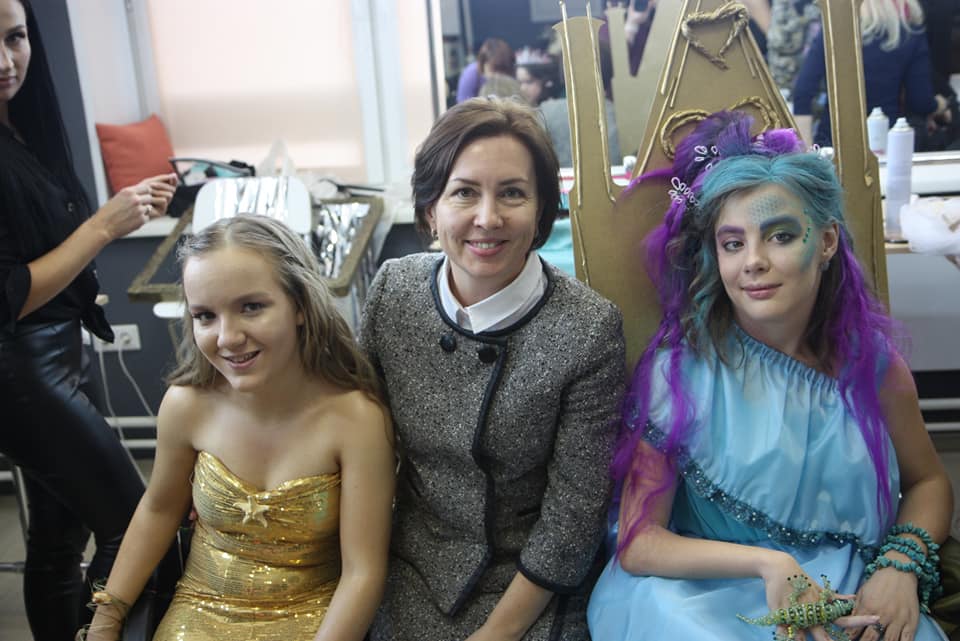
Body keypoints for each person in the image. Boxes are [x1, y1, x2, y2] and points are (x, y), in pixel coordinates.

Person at [587, 111, 953, 641]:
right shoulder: (679, 374)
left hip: (848, 592)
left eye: (780, 236)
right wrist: (769, 564)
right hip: (700, 594)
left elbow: (929, 481)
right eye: (733, 243)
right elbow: (640, 543)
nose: (753, 261)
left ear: (826, 241)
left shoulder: (873, 368)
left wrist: (900, 564)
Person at [361, 96, 626, 641]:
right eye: (464, 192)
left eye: (512, 193)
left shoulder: (589, 329)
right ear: (431, 210)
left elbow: (573, 517)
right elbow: (354, 437)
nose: (488, 218)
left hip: (528, 583)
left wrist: (495, 635)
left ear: (542, 211)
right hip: (408, 565)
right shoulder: (393, 291)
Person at [82, 215, 395, 641]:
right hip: (198, 613)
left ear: (300, 305)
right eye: (205, 315)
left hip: (316, 620)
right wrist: (106, 621)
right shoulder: (186, 405)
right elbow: (158, 511)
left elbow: (363, 572)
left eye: (251, 307)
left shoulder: (356, 418)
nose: (227, 337)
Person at [0, 1, 177, 638]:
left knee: (58, 538)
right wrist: (104, 226)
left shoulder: (25, 129)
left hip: (58, 351)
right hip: (20, 370)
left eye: (15, 37)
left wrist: (124, 210)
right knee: (137, 531)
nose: (5, 61)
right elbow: (10, 294)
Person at [792, 0, 950, 147]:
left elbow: (803, 92)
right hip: (886, 140)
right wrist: (940, 105)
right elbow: (920, 101)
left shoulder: (835, 29)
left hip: (834, 140)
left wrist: (806, 151)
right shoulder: (909, 32)